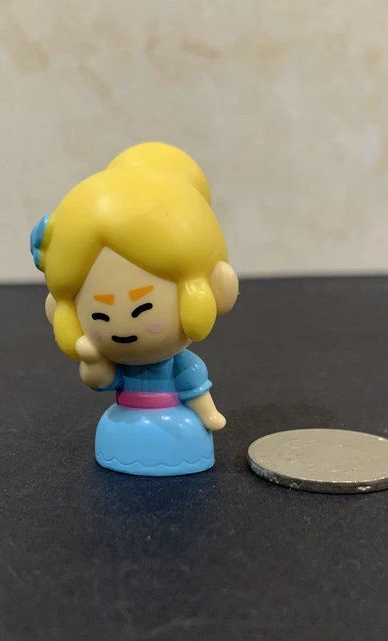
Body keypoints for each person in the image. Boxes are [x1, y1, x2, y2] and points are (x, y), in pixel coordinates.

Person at [31, 142, 238, 475]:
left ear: (215, 290)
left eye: (143, 309)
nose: (123, 325)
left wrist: (208, 414)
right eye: (100, 316)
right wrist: (92, 360)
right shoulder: (116, 364)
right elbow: (100, 380)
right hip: (120, 424)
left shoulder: (182, 363)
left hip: (177, 427)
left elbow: (195, 387)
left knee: (186, 434)